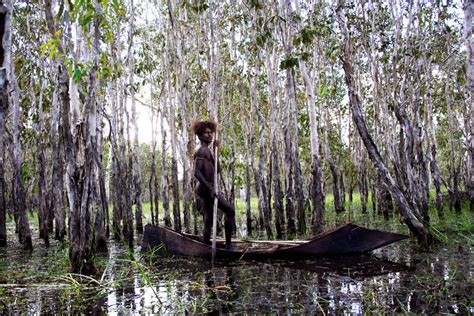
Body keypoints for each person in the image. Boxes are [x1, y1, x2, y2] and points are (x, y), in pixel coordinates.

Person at [192, 119, 235, 249]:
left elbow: (217, 170)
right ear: (199, 135)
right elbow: (197, 173)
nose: (210, 135)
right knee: (230, 211)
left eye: (211, 132)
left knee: (209, 218)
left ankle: (205, 245)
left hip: (207, 187)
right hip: (206, 188)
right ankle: (228, 245)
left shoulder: (208, 150)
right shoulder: (201, 150)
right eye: (206, 133)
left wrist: (217, 151)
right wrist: (210, 187)